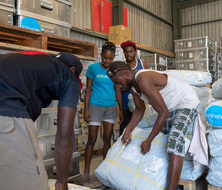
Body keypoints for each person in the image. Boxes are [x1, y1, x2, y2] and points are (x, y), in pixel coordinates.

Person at [0, 51, 83, 190]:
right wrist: (62, 181)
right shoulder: (68, 76)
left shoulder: (29, 62)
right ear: (73, 70)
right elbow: (64, 134)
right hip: (2, 112)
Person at [107, 61, 200, 190]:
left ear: (126, 73)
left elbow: (163, 113)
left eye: (118, 82)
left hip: (185, 102)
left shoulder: (143, 79)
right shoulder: (134, 88)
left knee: (174, 139)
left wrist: (148, 141)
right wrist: (128, 131)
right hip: (170, 107)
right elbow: (139, 109)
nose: (117, 86)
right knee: (162, 140)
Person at [82, 42, 121, 184]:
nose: (107, 61)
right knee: (92, 139)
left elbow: (117, 89)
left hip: (111, 107)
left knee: (107, 140)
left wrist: (121, 109)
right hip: (95, 106)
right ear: (101, 55)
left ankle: (105, 172)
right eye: (105, 58)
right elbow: (88, 90)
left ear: (113, 57)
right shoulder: (93, 68)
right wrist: (86, 109)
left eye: (110, 59)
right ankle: (86, 171)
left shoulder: (115, 70)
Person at [118, 41, 148, 135]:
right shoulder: (121, 67)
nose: (128, 54)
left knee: (139, 131)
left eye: (131, 51)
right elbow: (118, 90)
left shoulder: (142, 64)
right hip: (126, 105)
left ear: (135, 51)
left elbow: (148, 82)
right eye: (126, 52)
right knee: (124, 131)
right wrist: (121, 110)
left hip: (140, 104)